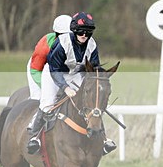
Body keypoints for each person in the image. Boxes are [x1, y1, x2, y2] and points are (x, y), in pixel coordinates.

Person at [26, 11, 117, 156]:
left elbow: (93, 68)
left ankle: (103, 139)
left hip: (74, 73)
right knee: (48, 103)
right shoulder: (62, 43)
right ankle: (34, 137)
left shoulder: (92, 45)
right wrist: (65, 88)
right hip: (54, 73)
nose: (84, 36)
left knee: (92, 100)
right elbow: (54, 69)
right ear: (74, 30)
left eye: (87, 33)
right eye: (81, 32)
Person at [27, 14, 71, 100]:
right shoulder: (45, 46)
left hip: (59, 70)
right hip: (38, 69)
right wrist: (47, 87)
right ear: (57, 34)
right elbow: (35, 70)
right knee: (40, 97)